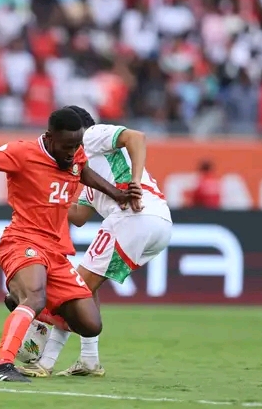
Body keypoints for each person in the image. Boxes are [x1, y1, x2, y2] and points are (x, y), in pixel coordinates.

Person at [0, 107, 141, 383]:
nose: (72, 152)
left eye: (77, 145)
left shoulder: (74, 154)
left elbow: (83, 171)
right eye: (67, 146)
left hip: (57, 252)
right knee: (35, 297)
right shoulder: (23, 153)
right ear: (49, 137)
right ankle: (2, 365)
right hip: (22, 240)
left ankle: (23, 305)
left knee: (90, 324)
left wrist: (117, 194)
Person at [17, 115, 173, 378]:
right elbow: (79, 217)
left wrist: (134, 182)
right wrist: (42, 197)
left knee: (71, 292)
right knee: (85, 287)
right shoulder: (88, 172)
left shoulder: (91, 135)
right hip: (159, 223)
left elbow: (136, 137)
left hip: (134, 216)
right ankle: (89, 360)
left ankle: (45, 363)